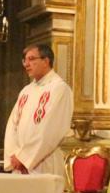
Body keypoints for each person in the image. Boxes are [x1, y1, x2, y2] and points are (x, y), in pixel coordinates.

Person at [4, 43, 73, 176]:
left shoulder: (59, 89)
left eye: (31, 59)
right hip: (19, 166)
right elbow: (12, 125)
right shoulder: (26, 91)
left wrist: (24, 158)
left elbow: (51, 130)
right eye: (25, 60)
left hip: (43, 163)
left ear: (46, 61)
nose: (26, 64)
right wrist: (14, 156)